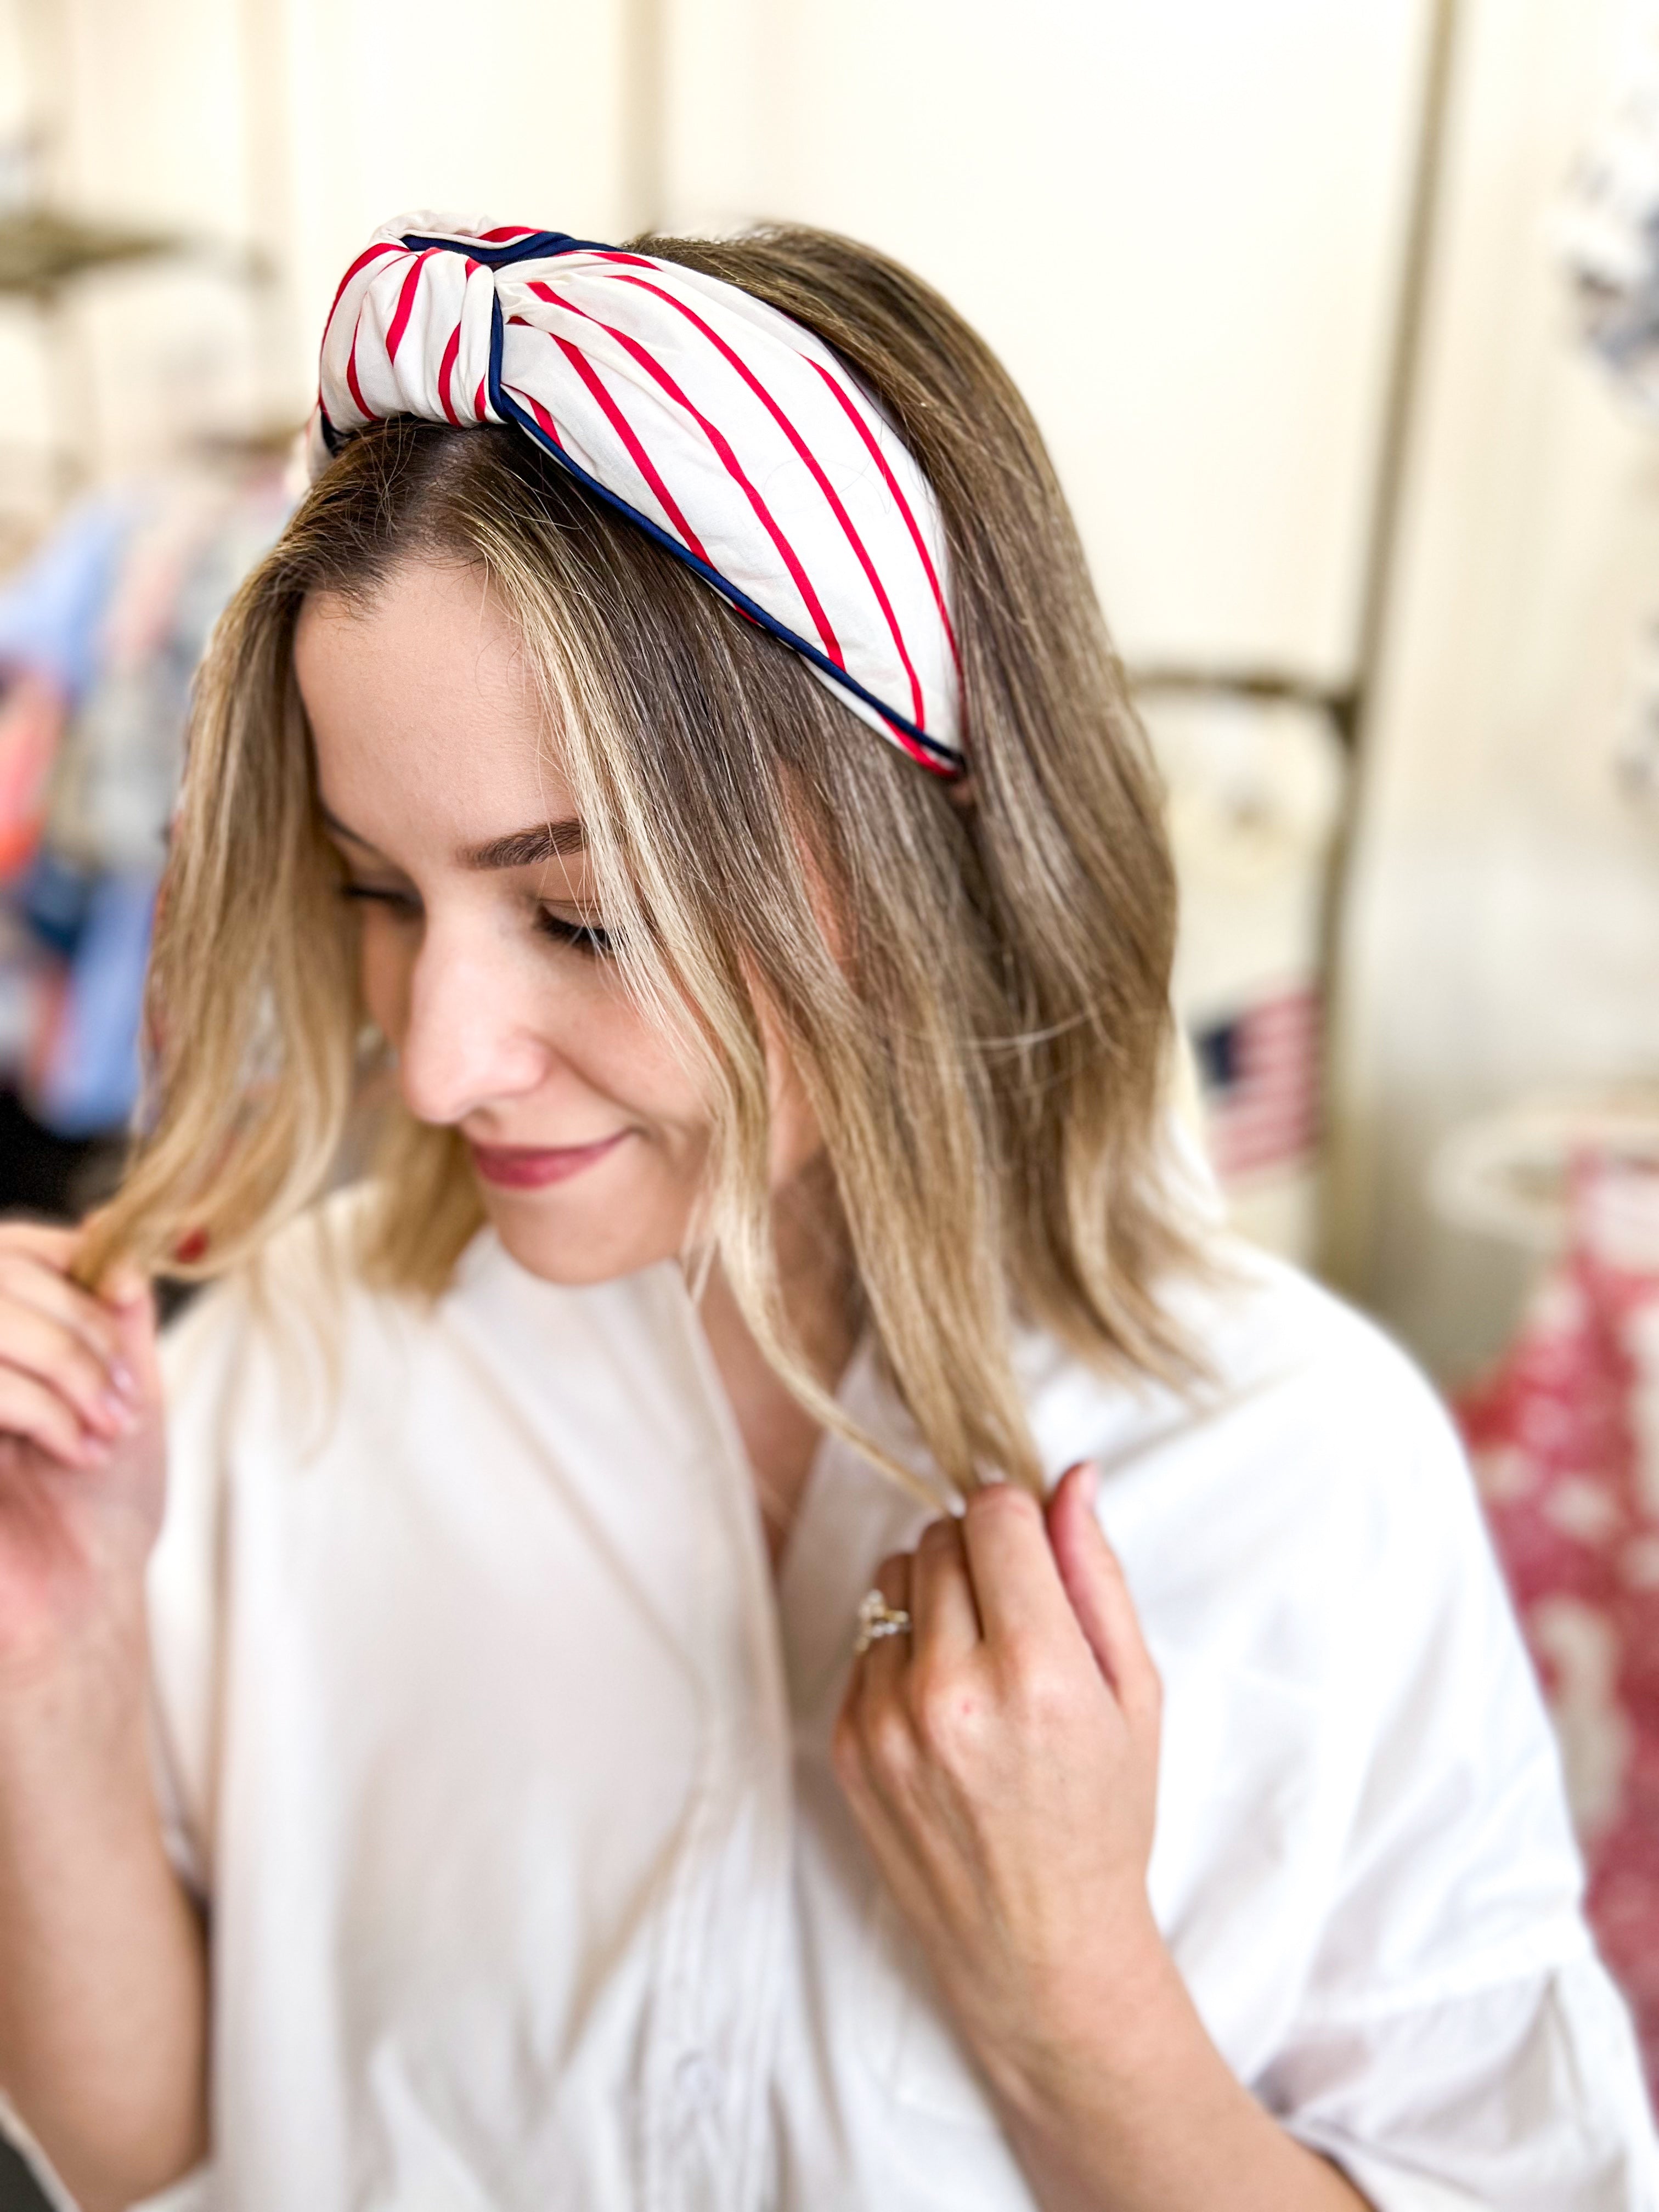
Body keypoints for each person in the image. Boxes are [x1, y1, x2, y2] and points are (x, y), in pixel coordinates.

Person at [0, 215, 1652, 2212]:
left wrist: (1073, 1993)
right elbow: (155, 2154)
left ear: (916, 854)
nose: (434, 1067)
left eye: (579, 917)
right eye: (380, 891)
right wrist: (58, 1669)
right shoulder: (303, 1369)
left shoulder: (1302, 1478)